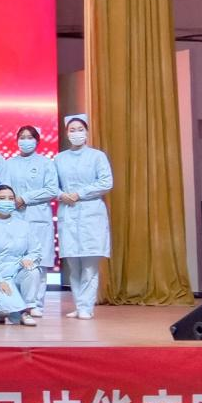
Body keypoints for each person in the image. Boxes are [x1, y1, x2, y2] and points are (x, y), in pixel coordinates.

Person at [54, 115, 114, 320]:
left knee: (89, 265)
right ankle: (79, 304)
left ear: (86, 132)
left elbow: (106, 182)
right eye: (72, 130)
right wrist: (62, 195)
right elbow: (52, 184)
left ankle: (87, 306)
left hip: (91, 212)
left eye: (80, 129)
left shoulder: (97, 157)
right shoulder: (59, 159)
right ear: (66, 133)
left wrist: (80, 194)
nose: (76, 133)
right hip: (68, 212)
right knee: (73, 265)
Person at [5, 125, 58, 317]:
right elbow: (3, 188)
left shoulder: (46, 163)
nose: (25, 141)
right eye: (22, 137)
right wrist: (12, 201)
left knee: (39, 262)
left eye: (29, 137)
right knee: (15, 259)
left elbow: (52, 190)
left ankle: (36, 304)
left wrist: (25, 198)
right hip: (14, 216)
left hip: (38, 217)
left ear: (37, 140)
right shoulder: (9, 164)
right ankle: (16, 302)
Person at [0, 185, 40, 325]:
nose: (7, 201)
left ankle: (26, 311)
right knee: (6, 306)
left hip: (17, 271)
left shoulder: (24, 225)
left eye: (10, 198)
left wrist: (28, 259)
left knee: (32, 271)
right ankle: (2, 310)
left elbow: (35, 250)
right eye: (2, 198)